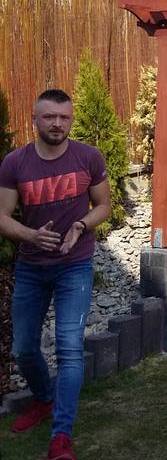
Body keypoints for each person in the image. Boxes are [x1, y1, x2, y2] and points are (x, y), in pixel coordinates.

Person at [0, 89, 110, 460]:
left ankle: (61, 436)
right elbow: (1, 217)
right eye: (49, 117)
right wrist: (31, 235)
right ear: (34, 119)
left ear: (71, 120)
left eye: (64, 117)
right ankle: (44, 399)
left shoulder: (88, 157)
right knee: (24, 347)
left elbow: (104, 206)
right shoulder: (15, 163)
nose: (57, 124)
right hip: (31, 267)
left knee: (69, 348)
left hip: (74, 266)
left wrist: (80, 224)